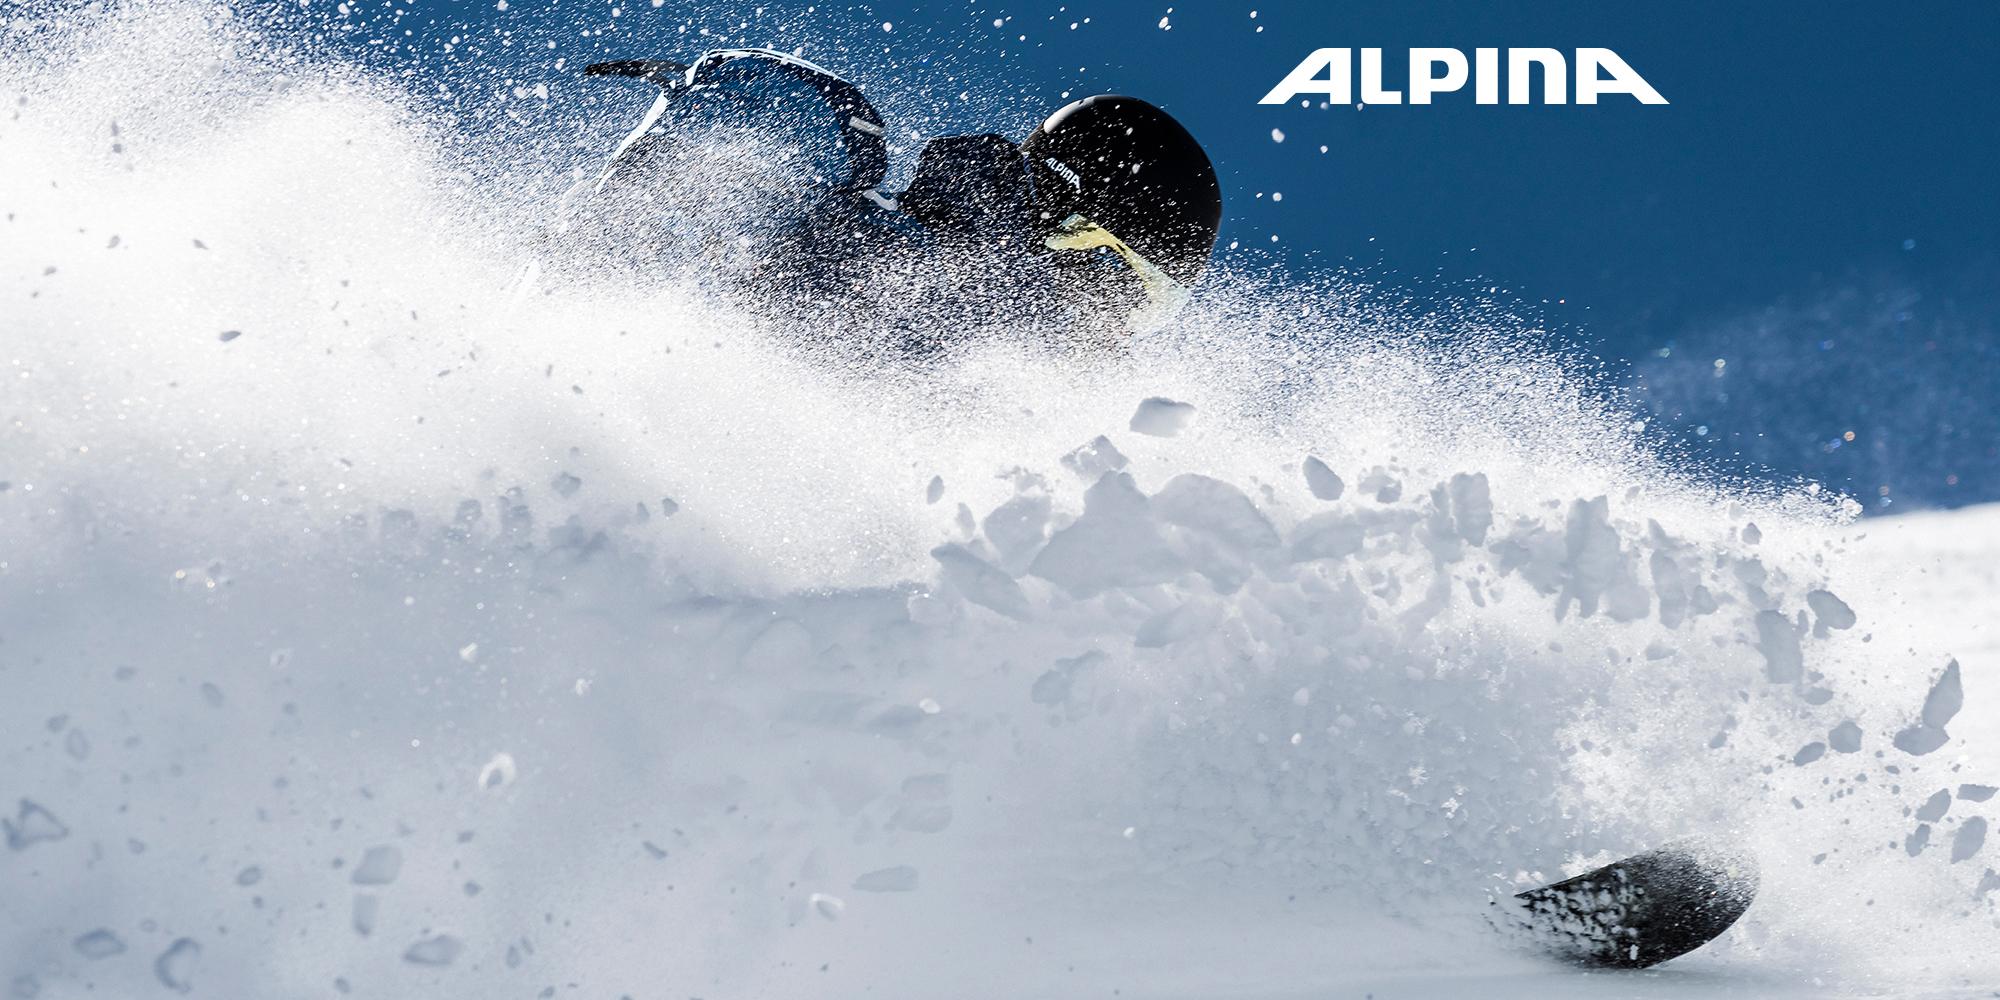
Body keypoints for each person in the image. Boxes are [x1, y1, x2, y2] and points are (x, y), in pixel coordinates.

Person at [545, 47, 1223, 345]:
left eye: (1154, 307)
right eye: (1120, 278)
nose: (1118, 319)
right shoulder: (885, 253)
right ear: (1065, 221)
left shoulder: (1057, 377)